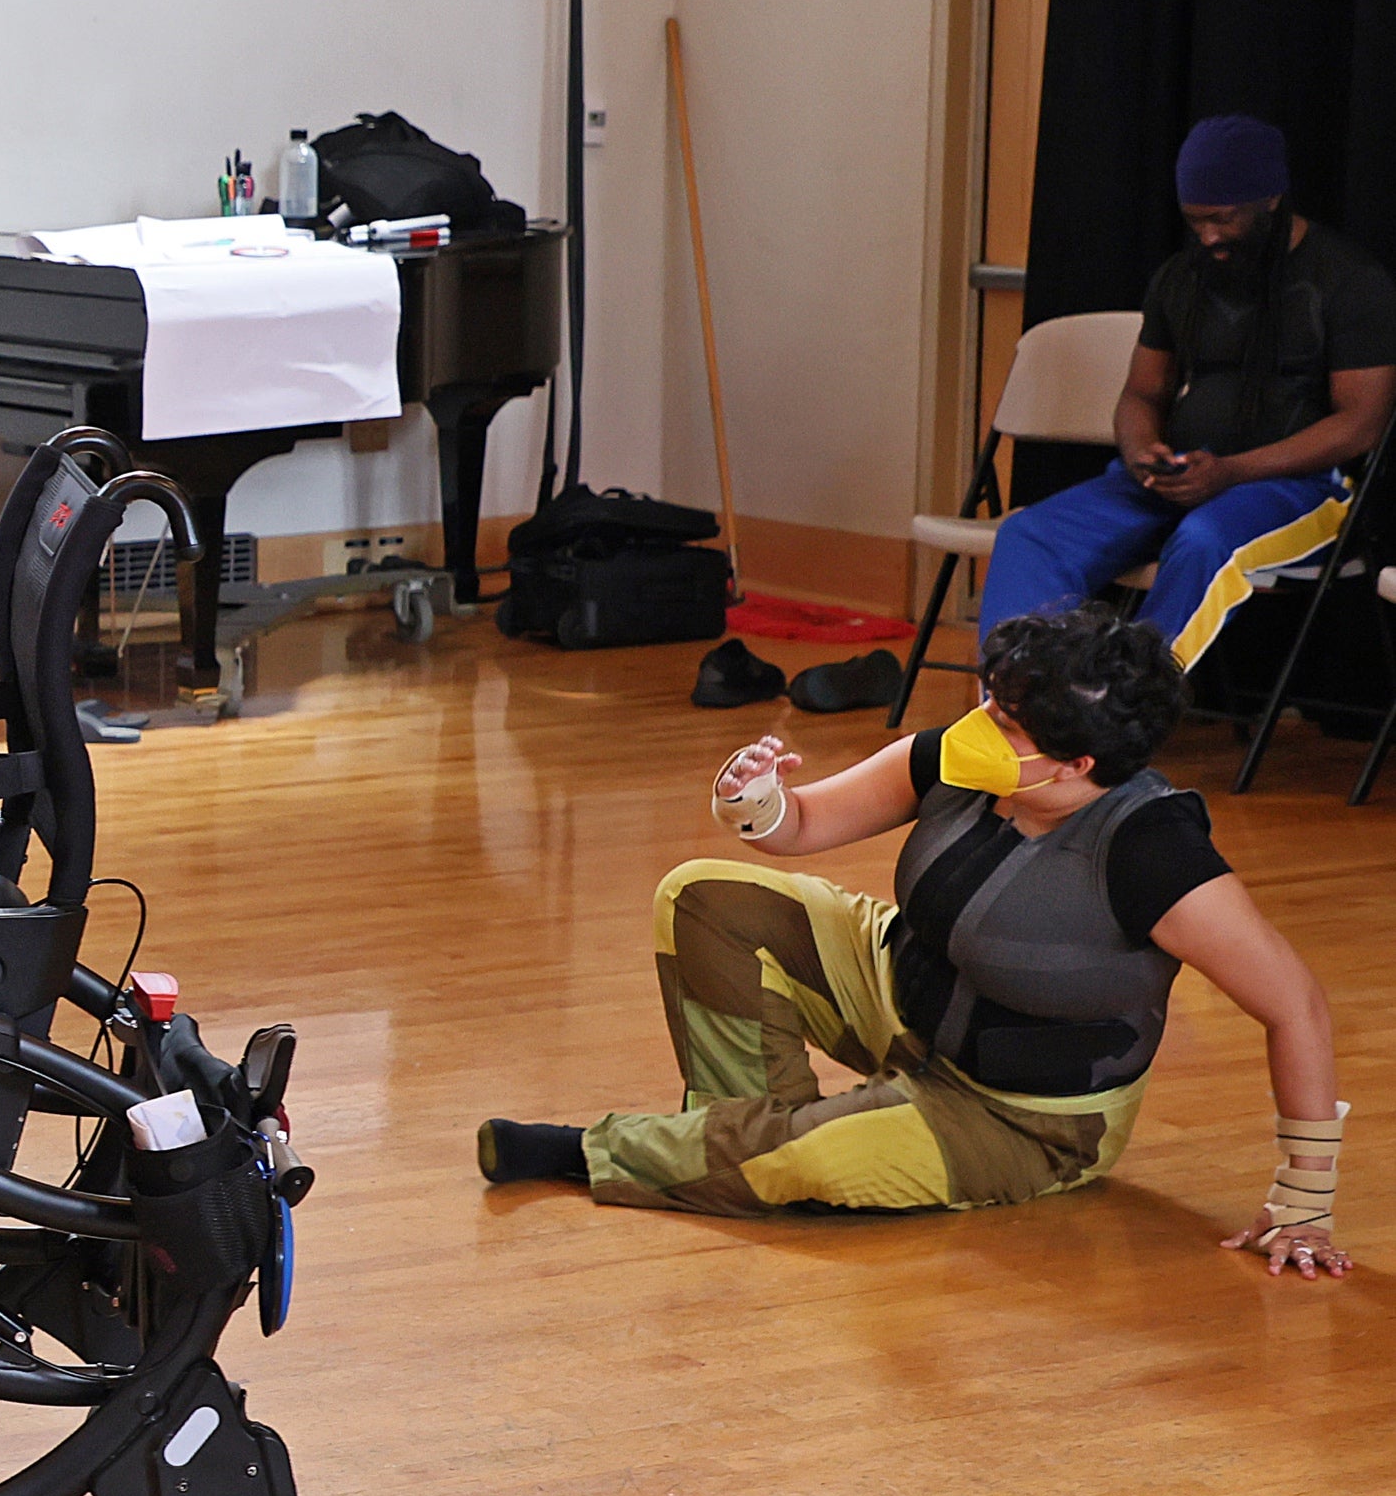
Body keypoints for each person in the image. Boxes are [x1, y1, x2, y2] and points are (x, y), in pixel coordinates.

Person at [478, 607, 1348, 1277]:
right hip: (900, 997)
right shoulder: (955, 758)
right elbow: (802, 823)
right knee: (703, 897)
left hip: (1017, 1121)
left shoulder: (1153, 853)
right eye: (989, 701)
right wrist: (752, 800)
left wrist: (1304, 1202)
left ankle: (609, 1151)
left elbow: (1294, 1005)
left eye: (1006, 726)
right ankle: (733, 1146)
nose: (977, 727)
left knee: (812, 1155)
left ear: (1076, 767)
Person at [977, 114, 1396, 669]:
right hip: (1180, 476)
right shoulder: (1181, 276)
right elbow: (1141, 395)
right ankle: (1013, 715)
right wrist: (1141, 451)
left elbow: (1361, 423)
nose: (1209, 236)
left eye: (1224, 219)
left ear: (1272, 198)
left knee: (1202, 540)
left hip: (1300, 489)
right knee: (1030, 535)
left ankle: (1119, 719)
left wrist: (1231, 473)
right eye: (1194, 220)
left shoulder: (1350, 280)